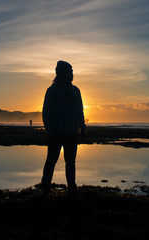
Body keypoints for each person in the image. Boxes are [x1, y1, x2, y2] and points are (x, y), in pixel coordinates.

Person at [41, 60, 86, 198]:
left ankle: (72, 189)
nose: (72, 74)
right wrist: (50, 130)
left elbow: (80, 110)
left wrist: (82, 126)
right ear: (61, 73)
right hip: (56, 133)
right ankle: (45, 190)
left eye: (72, 71)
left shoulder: (75, 90)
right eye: (69, 71)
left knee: (70, 163)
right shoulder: (52, 91)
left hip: (72, 133)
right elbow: (46, 112)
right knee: (51, 161)